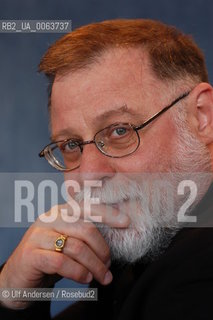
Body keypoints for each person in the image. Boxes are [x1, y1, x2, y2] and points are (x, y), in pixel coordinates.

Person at [1, 18, 213, 319]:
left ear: (201, 117)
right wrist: (13, 296)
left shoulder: (198, 273)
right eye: (71, 145)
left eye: (119, 131)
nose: (88, 174)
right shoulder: (132, 268)